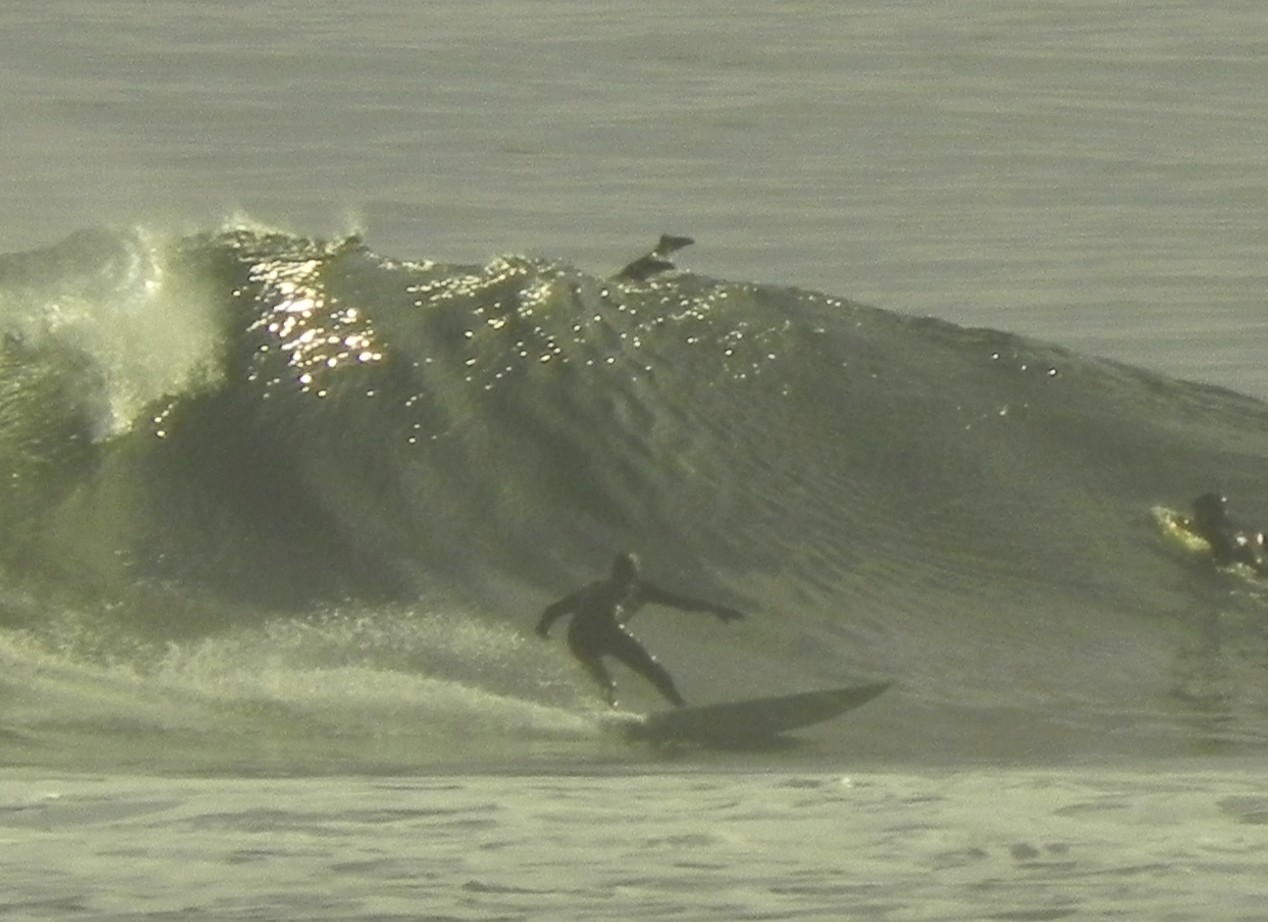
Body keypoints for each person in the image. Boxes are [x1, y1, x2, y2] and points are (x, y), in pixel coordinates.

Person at [535, 552, 743, 707]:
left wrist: (716, 608)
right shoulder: (606, 589)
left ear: (634, 576)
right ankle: (675, 709)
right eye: (621, 575)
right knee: (640, 676)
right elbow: (555, 609)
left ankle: (619, 715)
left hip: (586, 637)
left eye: (628, 576)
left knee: (626, 680)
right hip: (592, 635)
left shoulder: (623, 589)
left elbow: (681, 602)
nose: (625, 582)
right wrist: (542, 629)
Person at [1187, 492, 1267, 570]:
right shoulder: (1217, 529)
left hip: (1232, 557)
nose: (1195, 517)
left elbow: (1224, 561)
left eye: (1198, 513)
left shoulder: (1218, 538)